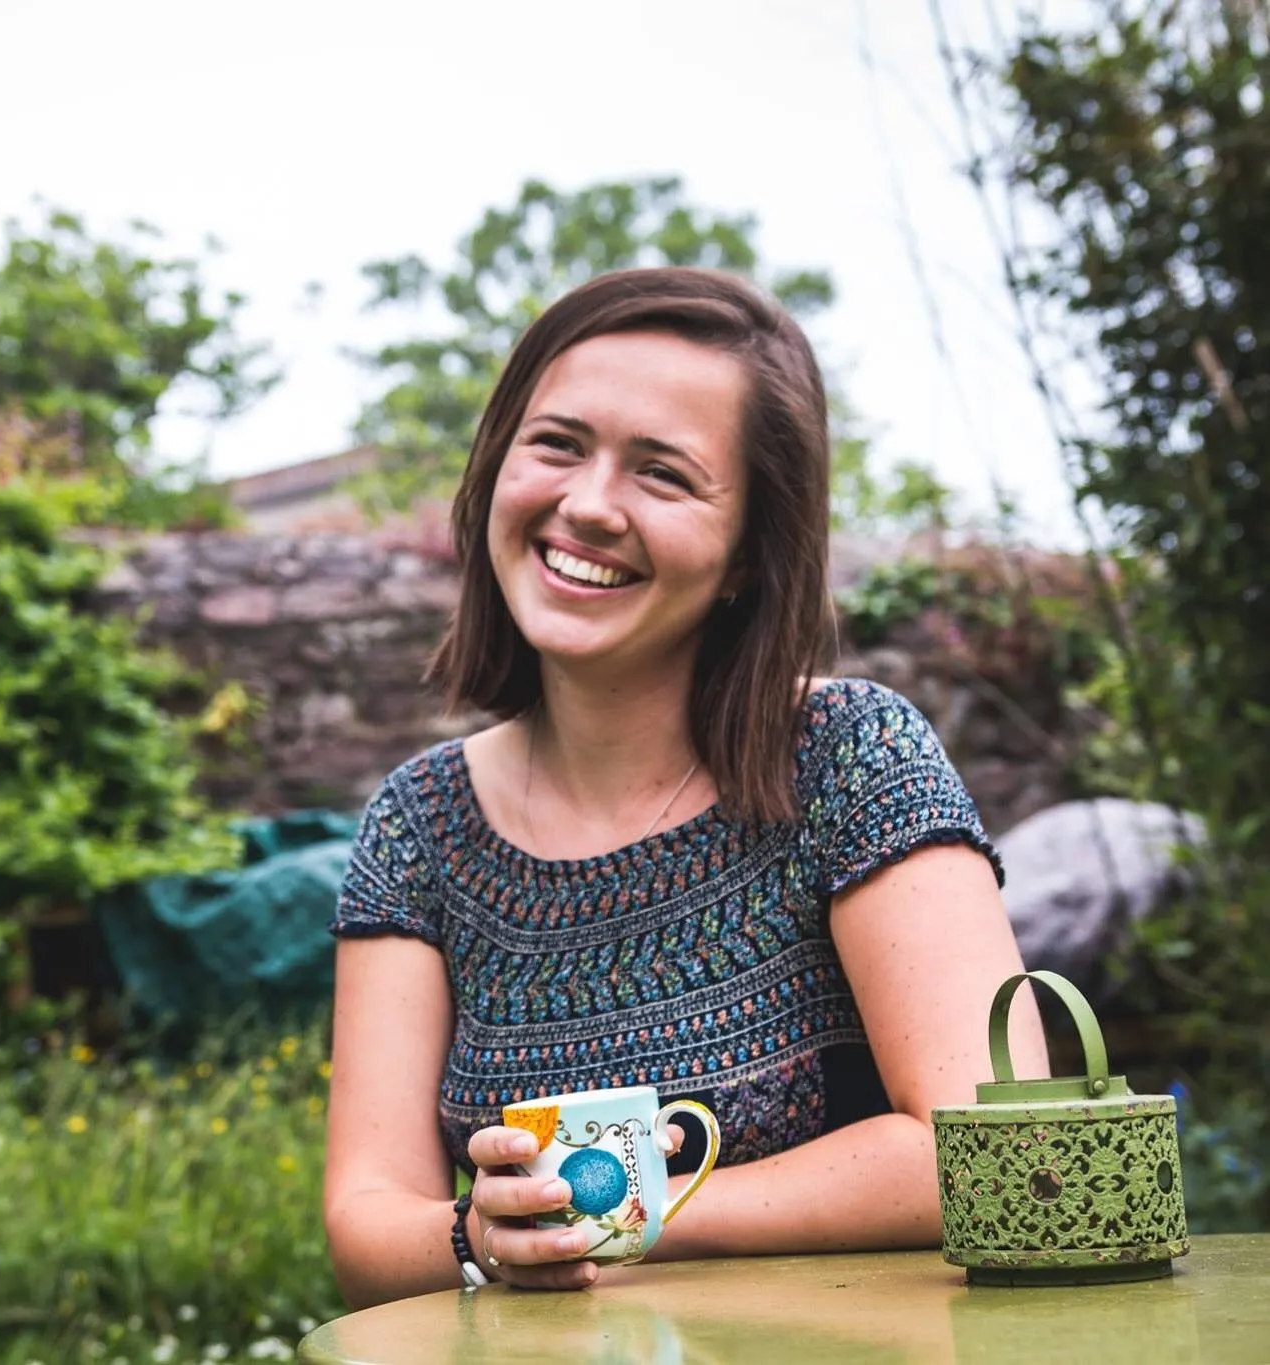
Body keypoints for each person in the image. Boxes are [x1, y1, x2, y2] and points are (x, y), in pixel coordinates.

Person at [323, 267, 1048, 1309]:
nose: (588, 505)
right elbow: (364, 1224)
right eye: (559, 445)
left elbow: (999, 1145)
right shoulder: (420, 825)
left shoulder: (850, 757)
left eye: (662, 474)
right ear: (496, 468)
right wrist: (472, 1232)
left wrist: (617, 1217)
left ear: (751, 550)